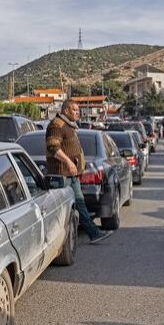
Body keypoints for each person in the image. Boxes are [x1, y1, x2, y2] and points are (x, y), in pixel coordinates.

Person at [46, 100, 113, 244]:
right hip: (62, 175)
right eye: (75, 110)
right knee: (61, 210)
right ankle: (53, 241)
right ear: (65, 111)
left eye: (78, 110)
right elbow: (53, 147)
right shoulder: (57, 125)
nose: (78, 112)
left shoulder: (69, 125)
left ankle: (94, 233)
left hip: (72, 175)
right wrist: (69, 162)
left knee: (80, 204)